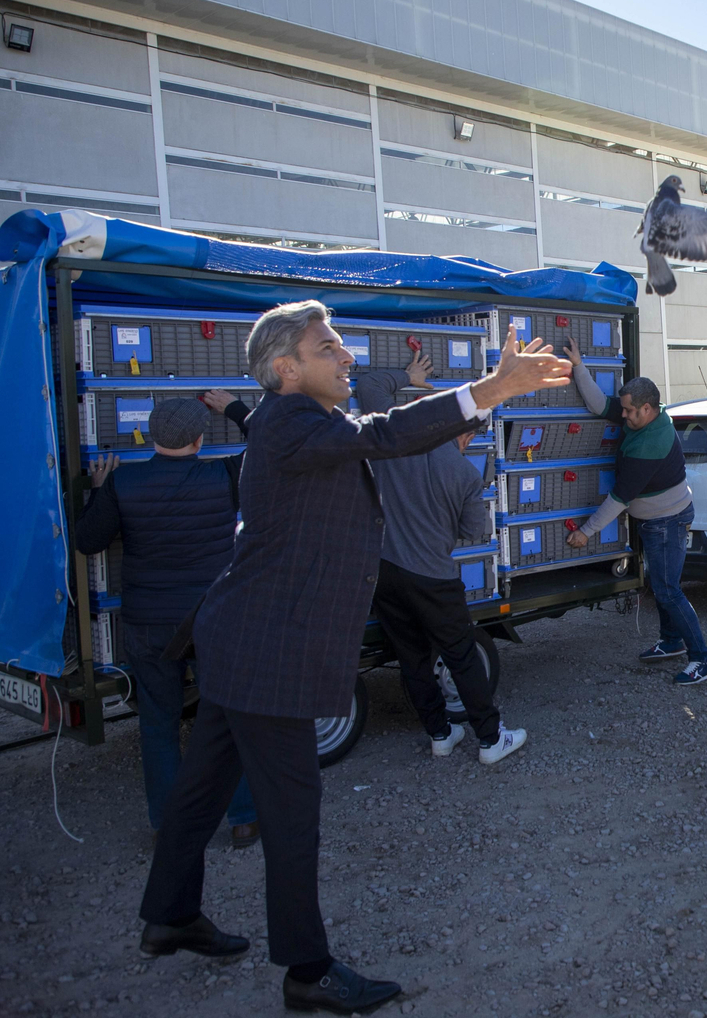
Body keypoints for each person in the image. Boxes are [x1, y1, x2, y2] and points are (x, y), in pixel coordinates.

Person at [138, 302, 569, 1014]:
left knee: (201, 790)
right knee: (292, 813)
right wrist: (492, 390)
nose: (346, 357)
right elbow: (391, 431)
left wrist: (484, 391)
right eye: (327, 346)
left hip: (238, 639)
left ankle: (169, 916)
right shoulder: (290, 421)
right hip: (268, 651)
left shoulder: (302, 425)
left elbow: (376, 432)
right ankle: (307, 971)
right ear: (286, 368)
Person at [75, 398, 260, 847]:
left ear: (153, 438)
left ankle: (169, 825)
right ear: (199, 440)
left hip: (149, 623)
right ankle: (243, 819)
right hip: (212, 617)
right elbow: (268, 442)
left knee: (158, 721)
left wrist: (98, 491)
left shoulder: (124, 482)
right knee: (230, 717)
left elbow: (86, 542)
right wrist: (235, 409)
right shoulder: (225, 476)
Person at [357, 364, 521, 762]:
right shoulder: (465, 476)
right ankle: (490, 738)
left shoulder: (390, 439)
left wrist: (409, 376)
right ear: (463, 434)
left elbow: (368, 384)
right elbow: (474, 531)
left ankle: (441, 734)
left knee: (410, 657)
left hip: (383, 571)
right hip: (432, 577)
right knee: (461, 655)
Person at [566, 343, 707, 685]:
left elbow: (620, 497)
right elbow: (599, 404)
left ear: (647, 409)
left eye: (630, 412)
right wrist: (578, 365)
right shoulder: (643, 412)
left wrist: (586, 531)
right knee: (662, 584)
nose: (624, 416)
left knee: (668, 590)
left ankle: (703, 659)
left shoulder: (651, 442)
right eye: (626, 409)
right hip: (656, 521)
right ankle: (671, 641)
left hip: (667, 521)